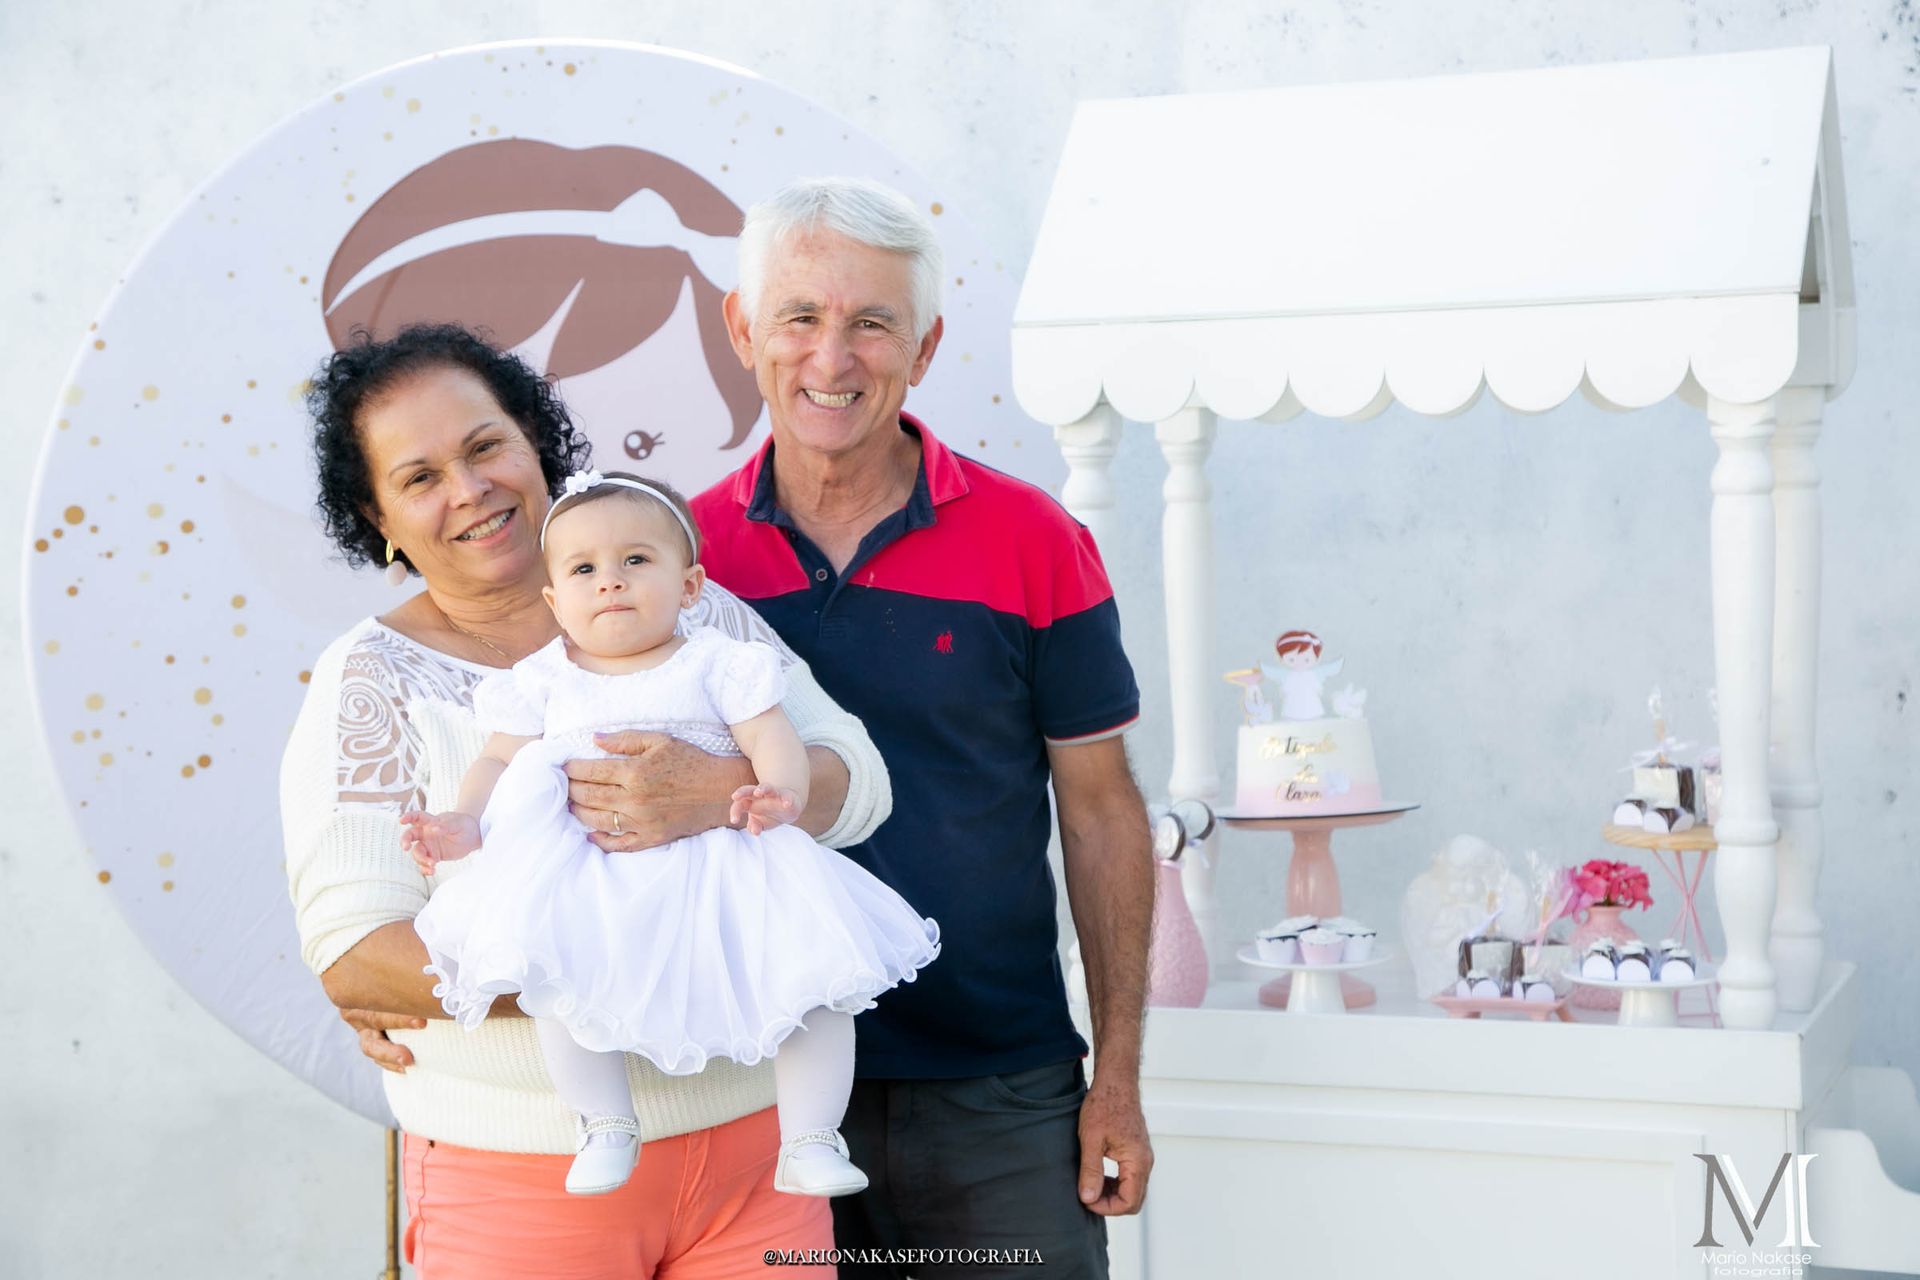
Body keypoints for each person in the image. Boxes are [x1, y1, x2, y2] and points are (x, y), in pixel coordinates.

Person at [281, 323, 890, 1277]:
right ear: (380, 522)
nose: (470, 490)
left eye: (487, 447)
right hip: (526, 1175)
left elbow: (859, 779)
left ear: (535, 445)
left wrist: (720, 791)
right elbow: (356, 957)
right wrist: (644, 967)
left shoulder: (694, 610)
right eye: (419, 477)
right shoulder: (368, 681)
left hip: (757, 1157)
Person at [684, 177, 1157, 1276]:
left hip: (1000, 1093)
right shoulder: (681, 565)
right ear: (743, 327)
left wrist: (1118, 1078)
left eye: (871, 323)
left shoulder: (1036, 540)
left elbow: (1100, 813)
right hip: (757, 1094)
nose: (831, 357)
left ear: (927, 345)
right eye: (799, 317)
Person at [400, 468, 939, 1199]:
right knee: (559, 986)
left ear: (690, 586)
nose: (611, 582)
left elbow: (771, 736)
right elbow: (496, 759)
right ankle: (603, 1124)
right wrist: (464, 823)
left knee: (813, 984)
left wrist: (780, 792)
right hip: (590, 871)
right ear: (556, 602)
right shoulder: (543, 681)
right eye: (585, 569)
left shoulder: (720, 660)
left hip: (726, 862)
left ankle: (811, 1137)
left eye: (636, 561)